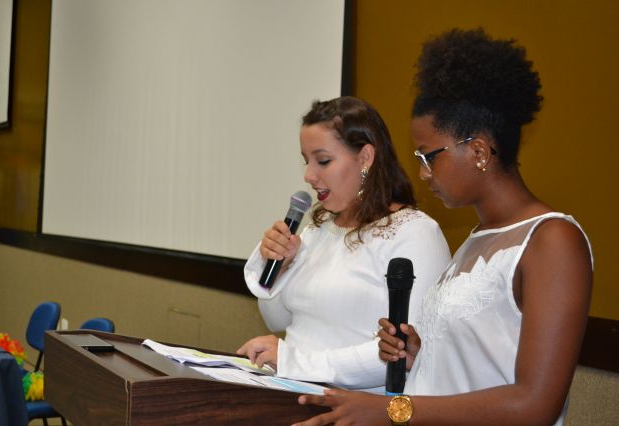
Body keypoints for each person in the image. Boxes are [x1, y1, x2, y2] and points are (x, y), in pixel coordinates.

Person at [293, 29, 593, 425]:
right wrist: (420, 356)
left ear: (479, 151)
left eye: (429, 156)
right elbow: (476, 369)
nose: (423, 172)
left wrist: (392, 410)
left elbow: (536, 405)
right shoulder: (474, 241)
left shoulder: (552, 240)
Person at [236, 96, 451, 393]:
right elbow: (276, 320)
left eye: (323, 161)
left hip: (358, 407)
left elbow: (405, 350)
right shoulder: (317, 229)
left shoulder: (414, 233)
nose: (309, 176)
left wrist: (294, 361)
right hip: (291, 390)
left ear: (365, 158)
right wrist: (279, 267)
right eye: (306, 161)